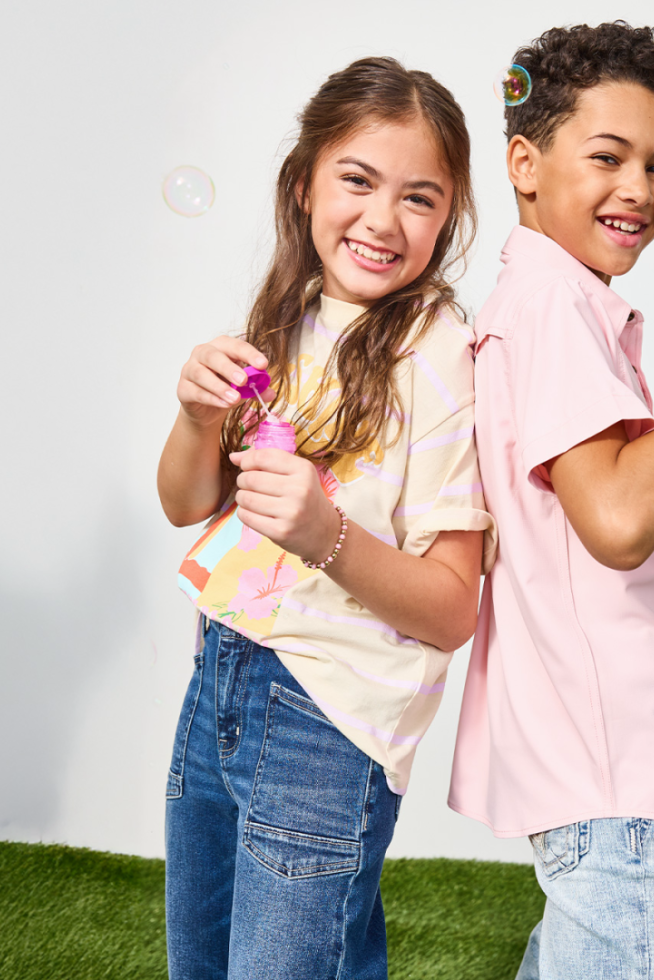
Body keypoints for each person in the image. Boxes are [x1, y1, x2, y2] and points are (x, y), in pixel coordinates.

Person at [448, 22, 654, 980]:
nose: (638, 187)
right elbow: (618, 522)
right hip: (605, 752)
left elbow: (596, 492)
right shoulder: (556, 307)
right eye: (607, 157)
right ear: (524, 163)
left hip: (582, 745)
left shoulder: (550, 301)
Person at [158, 56, 493, 980]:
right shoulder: (288, 316)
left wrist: (327, 537)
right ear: (304, 182)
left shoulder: (438, 355)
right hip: (219, 680)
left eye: (419, 198)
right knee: (202, 963)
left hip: (327, 723)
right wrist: (194, 416)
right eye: (357, 180)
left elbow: (453, 608)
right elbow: (187, 504)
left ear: (449, 216)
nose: (384, 219)